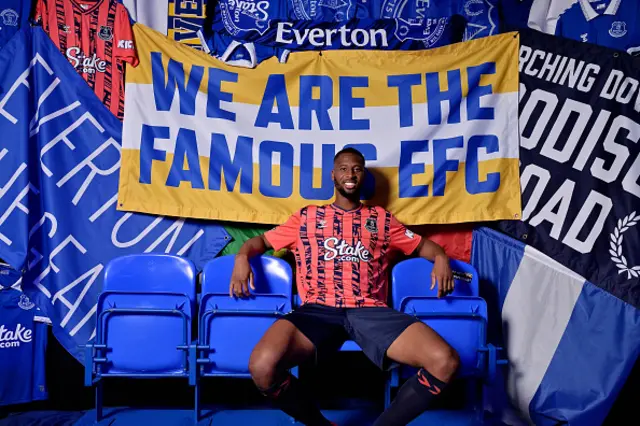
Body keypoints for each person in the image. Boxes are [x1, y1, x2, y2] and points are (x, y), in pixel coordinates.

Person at [229, 147, 460, 426]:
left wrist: (441, 258)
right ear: (333, 175)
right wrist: (243, 256)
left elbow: (425, 246)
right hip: (318, 309)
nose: (350, 174)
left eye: (357, 169)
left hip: (369, 310)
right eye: (343, 169)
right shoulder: (306, 218)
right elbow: (261, 242)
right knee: (262, 366)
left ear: (363, 175)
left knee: (444, 361)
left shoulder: (382, 220)